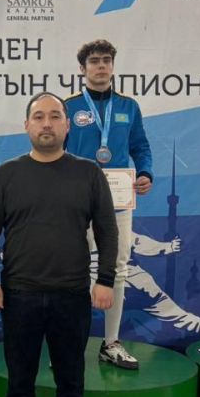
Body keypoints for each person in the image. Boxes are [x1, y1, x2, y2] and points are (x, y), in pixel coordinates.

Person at [0, 92, 118, 397]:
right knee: (19, 383)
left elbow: (108, 231)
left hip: (71, 296)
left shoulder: (89, 174)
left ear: (67, 125)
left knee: (70, 383)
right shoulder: (6, 174)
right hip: (18, 296)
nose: (46, 123)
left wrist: (106, 279)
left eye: (55, 116)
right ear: (26, 125)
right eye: (38, 116)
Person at [64, 39, 153, 369]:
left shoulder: (128, 106)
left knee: (117, 268)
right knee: (72, 271)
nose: (101, 66)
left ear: (113, 66)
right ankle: (69, 344)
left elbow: (140, 146)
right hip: (76, 202)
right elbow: (56, 151)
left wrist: (145, 173)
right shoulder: (69, 107)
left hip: (118, 202)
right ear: (82, 68)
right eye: (94, 61)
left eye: (106, 60)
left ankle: (111, 342)